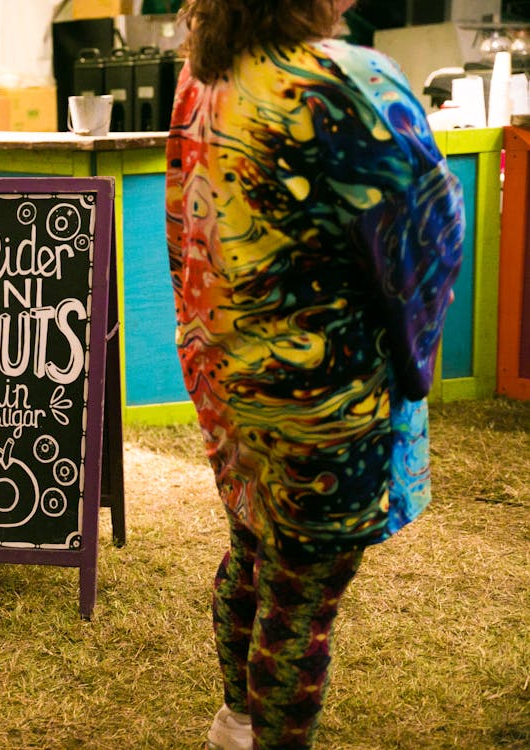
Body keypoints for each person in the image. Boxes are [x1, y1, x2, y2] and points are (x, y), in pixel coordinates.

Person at [164, 1, 464, 748]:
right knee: (300, 599)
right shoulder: (347, 81)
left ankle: (234, 720)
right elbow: (430, 234)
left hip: (230, 378)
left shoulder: (204, 76)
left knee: (251, 550)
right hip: (325, 399)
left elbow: (187, 220)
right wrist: (409, 354)